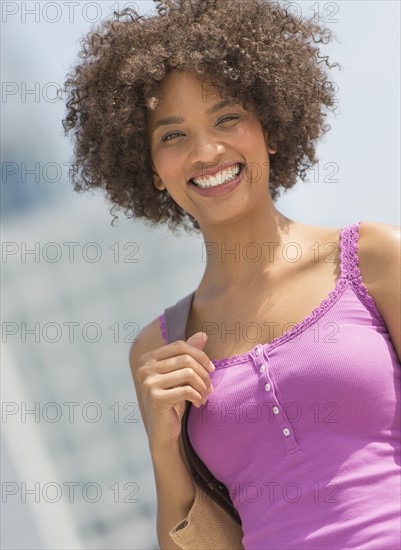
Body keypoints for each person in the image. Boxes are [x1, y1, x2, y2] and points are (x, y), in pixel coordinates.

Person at [62, 1, 401, 548]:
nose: (206, 151)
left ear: (270, 126)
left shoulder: (375, 259)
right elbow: (187, 540)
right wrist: (163, 443)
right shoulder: (159, 346)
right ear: (151, 169)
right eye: (172, 135)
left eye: (227, 118)